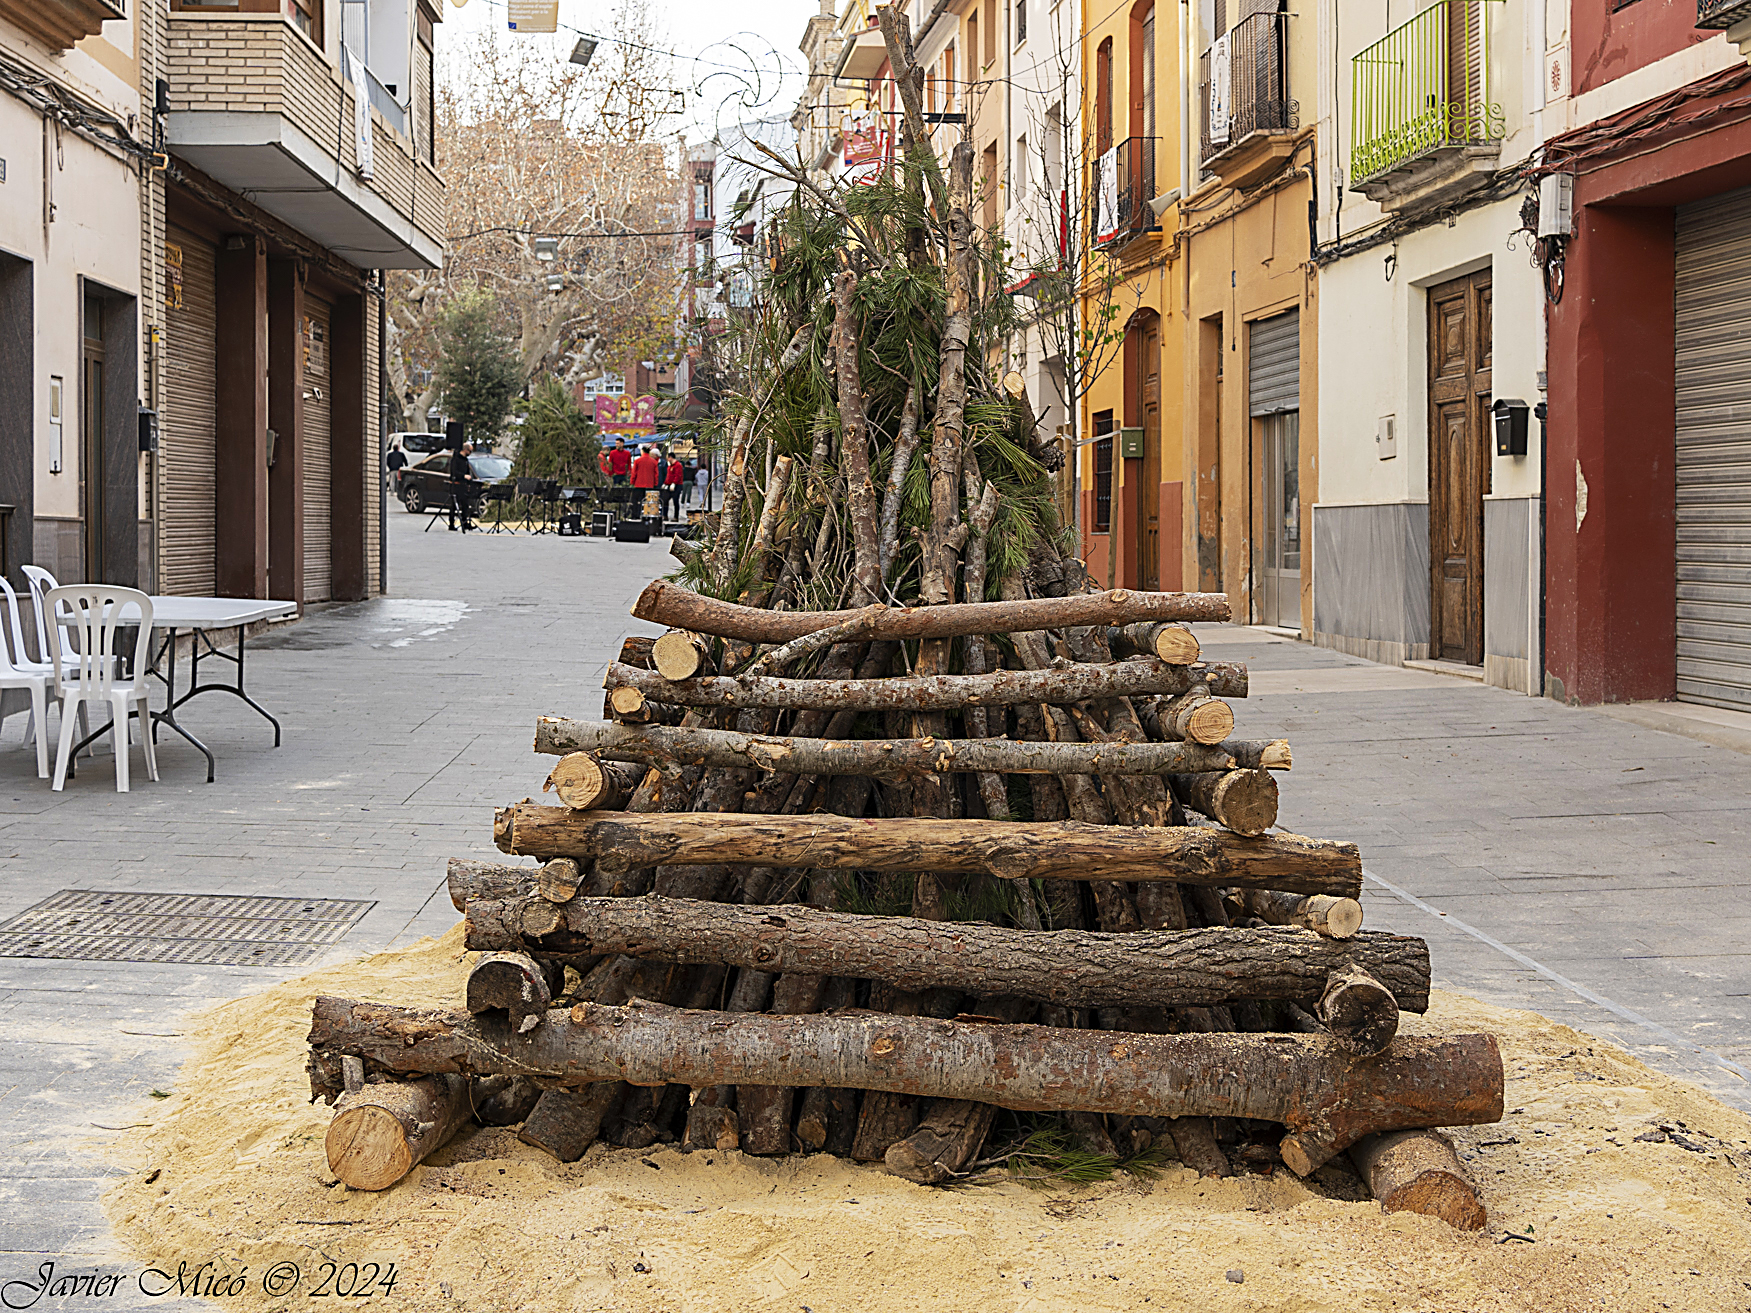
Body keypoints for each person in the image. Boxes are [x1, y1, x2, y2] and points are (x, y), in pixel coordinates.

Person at [447, 440, 478, 531]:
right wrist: (463, 476)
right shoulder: (456, 459)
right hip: (456, 485)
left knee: (465, 505)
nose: (470, 453)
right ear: (465, 450)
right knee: (453, 505)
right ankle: (451, 524)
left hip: (463, 485)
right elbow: (453, 472)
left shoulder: (465, 460)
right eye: (470, 451)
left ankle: (465, 523)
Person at [662, 449, 685, 522]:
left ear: (671, 457)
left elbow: (678, 475)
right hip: (669, 485)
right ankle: (665, 515)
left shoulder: (678, 465)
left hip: (677, 485)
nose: (667, 459)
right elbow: (668, 476)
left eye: (668, 457)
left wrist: (674, 483)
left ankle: (676, 517)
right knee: (665, 500)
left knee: (675, 501)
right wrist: (665, 483)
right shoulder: (669, 466)